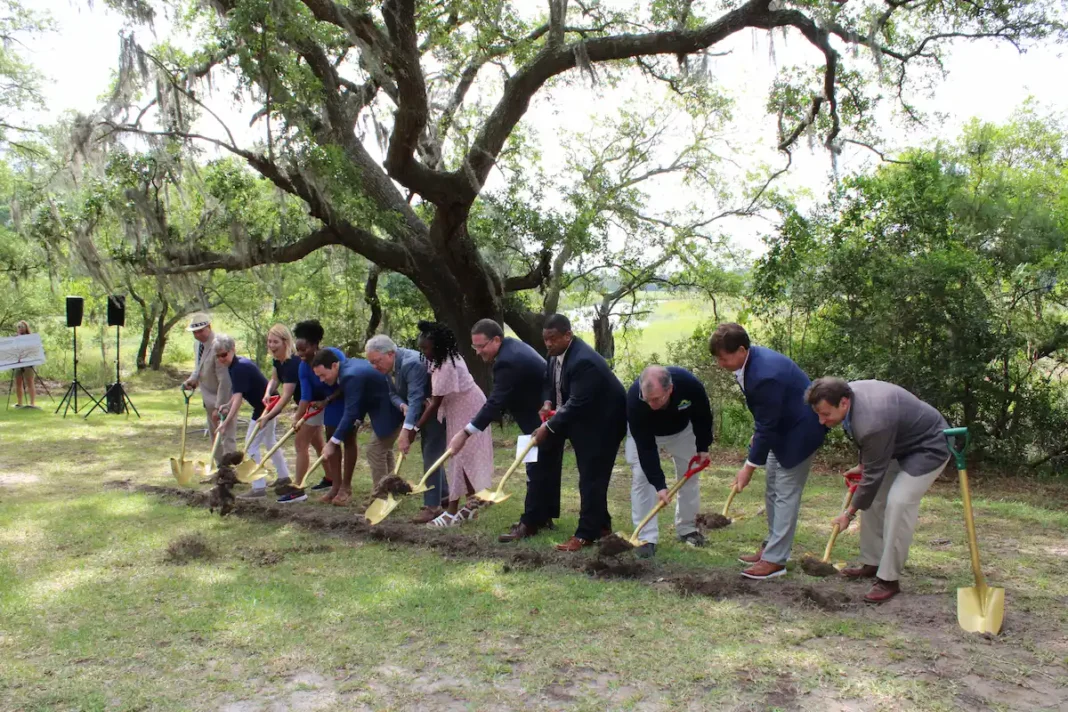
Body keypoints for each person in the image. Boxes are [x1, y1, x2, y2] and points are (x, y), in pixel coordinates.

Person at [805, 377, 951, 603]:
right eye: (818, 414)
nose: (821, 421)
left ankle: (888, 579)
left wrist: (848, 514)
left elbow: (872, 471)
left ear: (844, 403)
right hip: (896, 444)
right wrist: (863, 465)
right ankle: (872, 562)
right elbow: (868, 449)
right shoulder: (849, 399)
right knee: (872, 499)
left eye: (825, 414)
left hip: (929, 444)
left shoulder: (872, 421)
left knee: (899, 502)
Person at [709, 322, 826, 580]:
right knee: (773, 488)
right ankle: (771, 547)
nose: (721, 364)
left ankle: (776, 561)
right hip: (781, 431)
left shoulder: (765, 374)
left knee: (785, 493)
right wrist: (760, 434)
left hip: (800, 434)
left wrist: (748, 467)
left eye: (724, 358)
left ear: (741, 350)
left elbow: (768, 422)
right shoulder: (752, 362)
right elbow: (768, 416)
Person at [451, 319, 562, 543]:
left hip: (541, 418)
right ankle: (543, 517)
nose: (478, 352)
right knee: (546, 467)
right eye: (475, 347)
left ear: (497, 340)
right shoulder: (512, 347)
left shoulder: (507, 361)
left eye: (481, 346)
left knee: (536, 470)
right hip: (545, 413)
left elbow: (495, 403)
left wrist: (465, 433)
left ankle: (530, 523)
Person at [532, 314, 627, 552]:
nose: (548, 344)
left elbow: (577, 403)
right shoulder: (555, 355)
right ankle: (602, 527)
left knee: (591, 478)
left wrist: (548, 427)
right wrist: (546, 401)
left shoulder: (583, 361)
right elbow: (548, 381)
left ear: (568, 335)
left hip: (604, 423)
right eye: (545, 340)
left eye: (552, 339)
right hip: (583, 421)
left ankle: (585, 534)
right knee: (590, 476)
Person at [410, 321, 494, 527]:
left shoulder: (447, 364)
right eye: (421, 348)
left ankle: (451, 512)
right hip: (457, 409)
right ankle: (473, 500)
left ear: (438, 346)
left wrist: (415, 428)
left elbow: (436, 402)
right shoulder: (438, 359)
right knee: (461, 456)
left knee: (457, 456)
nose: (424, 352)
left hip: (469, 408)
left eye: (426, 348)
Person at [625, 365, 714, 558]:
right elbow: (645, 447)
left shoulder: (689, 385)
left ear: (670, 389)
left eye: (656, 399)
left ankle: (687, 528)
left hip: (681, 431)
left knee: (689, 478)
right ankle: (646, 538)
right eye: (647, 399)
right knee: (642, 478)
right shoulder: (635, 399)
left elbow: (703, 416)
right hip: (647, 435)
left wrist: (703, 447)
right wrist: (660, 485)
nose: (651, 404)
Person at [365, 334, 449, 524]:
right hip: (419, 411)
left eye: (376, 361)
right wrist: (402, 406)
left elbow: (416, 397)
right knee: (431, 454)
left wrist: (406, 431)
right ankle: (444, 496)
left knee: (431, 454)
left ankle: (432, 507)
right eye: (371, 363)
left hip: (436, 411)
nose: (375, 367)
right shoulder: (387, 366)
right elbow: (392, 394)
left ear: (390, 354)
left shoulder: (411, 363)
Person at [312, 349, 404, 506]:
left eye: (322, 375)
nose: (321, 380)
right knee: (383, 451)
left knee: (375, 451)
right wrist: (357, 422)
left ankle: (380, 499)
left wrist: (332, 443)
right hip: (384, 412)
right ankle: (391, 489)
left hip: (391, 411)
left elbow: (350, 411)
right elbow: (359, 402)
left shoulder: (350, 375)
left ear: (334, 366)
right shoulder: (349, 367)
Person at [213, 334, 290, 498]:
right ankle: (284, 477)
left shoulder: (239, 367)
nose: (221, 359)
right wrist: (227, 404)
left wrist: (225, 422)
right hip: (267, 405)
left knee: (251, 445)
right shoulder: (234, 365)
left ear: (232, 349)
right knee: (270, 442)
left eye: (224, 354)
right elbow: (237, 393)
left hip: (266, 407)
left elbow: (239, 400)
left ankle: (258, 488)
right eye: (218, 356)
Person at [293, 320, 341, 498]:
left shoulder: (333, 355)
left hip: (337, 400)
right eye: (297, 350)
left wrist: (328, 400)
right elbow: (305, 396)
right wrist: (297, 419)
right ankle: (299, 487)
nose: (299, 354)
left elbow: (346, 381)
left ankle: (336, 483)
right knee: (301, 441)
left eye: (303, 349)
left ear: (314, 345)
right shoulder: (303, 367)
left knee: (331, 442)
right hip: (317, 404)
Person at [182, 313, 234, 466]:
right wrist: (193, 379)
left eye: (200, 331)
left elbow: (225, 380)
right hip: (208, 397)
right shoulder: (198, 345)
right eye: (194, 332)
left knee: (227, 435)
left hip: (224, 398)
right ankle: (219, 468)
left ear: (209, 327)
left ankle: (230, 470)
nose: (197, 335)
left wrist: (220, 406)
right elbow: (199, 366)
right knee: (214, 435)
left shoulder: (220, 345)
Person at [260, 324, 303, 502]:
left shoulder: (293, 362)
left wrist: (268, 416)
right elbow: (275, 379)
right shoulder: (278, 360)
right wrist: (268, 392)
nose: (271, 345)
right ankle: (330, 480)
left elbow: (286, 396)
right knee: (316, 443)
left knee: (301, 444)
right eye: (269, 341)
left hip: (311, 402)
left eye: (275, 342)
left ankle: (298, 488)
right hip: (304, 402)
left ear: (286, 342)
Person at [12, 320, 37, 409]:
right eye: (18, 327)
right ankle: (19, 403)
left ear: (26, 328)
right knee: (18, 382)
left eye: (22, 326)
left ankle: (32, 403)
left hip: (29, 364)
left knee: (29, 382)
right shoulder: (15, 339)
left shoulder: (31, 338)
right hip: (18, 363)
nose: (20, 328)